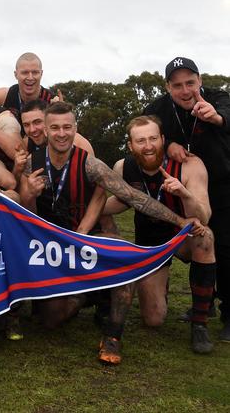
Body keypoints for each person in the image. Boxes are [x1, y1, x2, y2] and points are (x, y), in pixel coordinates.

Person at [18, 102, 205, 364]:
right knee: (51, 320)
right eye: (55, 128)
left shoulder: (90, 165)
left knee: (121, 253)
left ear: (76, 128)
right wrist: (29, 194)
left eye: (67, 127)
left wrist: (179, 219)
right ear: (46, 131)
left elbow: (133, 196)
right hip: (50, 248)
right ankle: (89, 294)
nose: (62, 133)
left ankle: (113, 334)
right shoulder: (30, 165)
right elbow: (23, 214)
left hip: (86, 240)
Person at [103, 115, 215, 353]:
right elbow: (121, 201)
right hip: (151, 244)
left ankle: (200, 322)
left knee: (205, 237)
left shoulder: (189, 164)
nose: (148, 145)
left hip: (183, 236)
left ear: (163, 139)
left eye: (153, 138)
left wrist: (184, 194)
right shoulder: (123, 167)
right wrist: (84, 212)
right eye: (140, 140)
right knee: (153, 319)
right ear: (131, 145)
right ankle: (159, 287)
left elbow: (204, 216)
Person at [143, 57, 230, 341]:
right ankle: (203, 306)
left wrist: (217, 117)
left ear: (200, 81)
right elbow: (143, 128)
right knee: (199, 239)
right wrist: (168, 144)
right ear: (168, 86)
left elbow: (226, 114)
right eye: (177, 85)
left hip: (222, 183)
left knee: (226, 245)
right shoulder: (159, 107)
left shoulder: (217, 97)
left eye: (190, 83)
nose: (185, 90)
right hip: (183, 186)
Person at [0, 52, 57, 133]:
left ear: (41, 74)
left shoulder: (52, 101)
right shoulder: (3, 95)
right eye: (25, 73)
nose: (30, 77)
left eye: (35, 72)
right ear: (16, 75)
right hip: (11, 142)